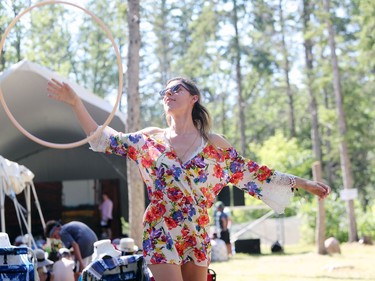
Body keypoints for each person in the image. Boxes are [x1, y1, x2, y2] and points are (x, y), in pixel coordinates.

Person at [47, 77, 331, 281]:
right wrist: (74, 102)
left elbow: (254, 173)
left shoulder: (214, 144)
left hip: (197, 230)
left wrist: (303, 183)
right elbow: (101, 139)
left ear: (194, 97)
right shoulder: (150, 140)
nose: (167, 93)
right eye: (164, 91)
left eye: (175, 89)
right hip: (161, 227)